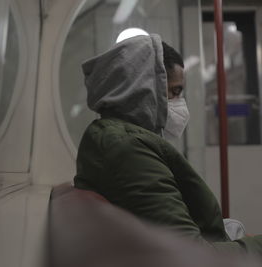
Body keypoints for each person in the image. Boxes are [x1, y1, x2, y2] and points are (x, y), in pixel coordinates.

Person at [74, 34, 262, 256]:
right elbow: (191, 254)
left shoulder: (114, 137)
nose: (180, 103)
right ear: (143, 90)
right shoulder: (127, 150)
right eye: (174, 92)